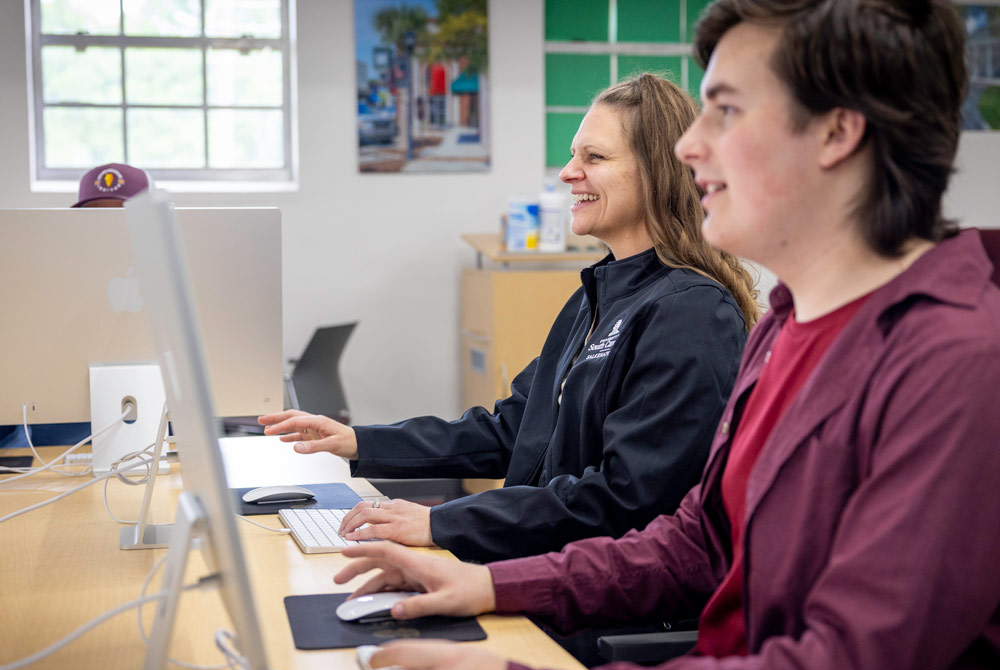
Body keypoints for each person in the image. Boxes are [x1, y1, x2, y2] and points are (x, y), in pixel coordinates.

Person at [329, 1, 1000, 670]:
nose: (687, 147)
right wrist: (489, 583)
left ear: (837, 132)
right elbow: (699, 544)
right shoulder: (786, 327)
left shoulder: (956, 366)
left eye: (727, 111)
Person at [260, 74, 759, 563]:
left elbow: (626, 499)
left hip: (595, 592)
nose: (568, 173)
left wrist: (443, 521)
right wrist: (358, 442)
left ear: (658, 171)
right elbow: (512, 429)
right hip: (536, 565)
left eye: (594, 157)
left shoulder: (690, 312)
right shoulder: (594, 298)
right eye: (573, 155)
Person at [0, 163, 150, 450]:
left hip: (158, 430)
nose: (106, 230)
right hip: (51, 440)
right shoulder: (40, 280)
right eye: (93, 220)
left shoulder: (178, 278)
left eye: (121, 218)